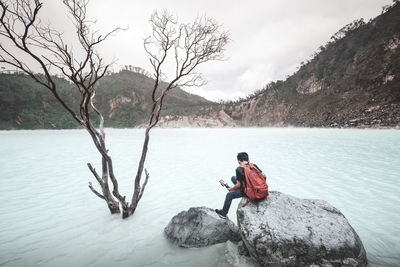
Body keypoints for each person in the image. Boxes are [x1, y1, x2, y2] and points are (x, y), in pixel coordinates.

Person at [215, 152, 266, 219]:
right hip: (260, 190)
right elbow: (264, 176)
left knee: (229, 195)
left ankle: (223, 213)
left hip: (249, 192)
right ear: (248, 160)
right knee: (233, 178)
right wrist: (258, 185)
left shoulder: (239, 169)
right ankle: (245, 188)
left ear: (239, 161)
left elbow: (238, 185)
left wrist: (230, 189)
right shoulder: (254, 165)